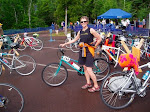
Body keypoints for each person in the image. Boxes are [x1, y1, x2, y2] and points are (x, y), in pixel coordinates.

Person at [59, 16, 102, 92]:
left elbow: (99, 38)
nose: (83, 23)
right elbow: (74, 40)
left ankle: (96, 86)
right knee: (85, 68)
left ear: (87, 22)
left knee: (89, 69)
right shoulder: (80, 31)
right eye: (81, 22)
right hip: (82, 50)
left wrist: (94, 46)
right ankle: (88, 83)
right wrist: (65, 44)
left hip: (89, 51)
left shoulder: (91, 30)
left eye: (84, 21)